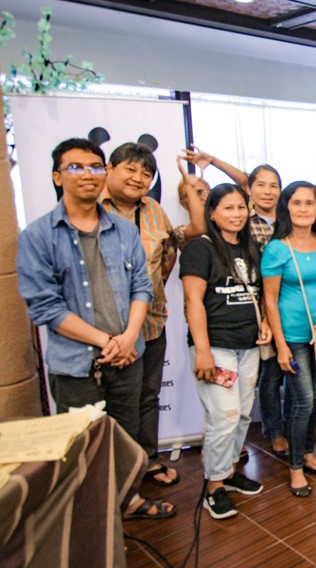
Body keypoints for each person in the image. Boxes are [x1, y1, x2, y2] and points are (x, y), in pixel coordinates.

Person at [17, 138, 170, 521]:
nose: (88, 174)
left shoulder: (124, 229)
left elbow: (142, 286)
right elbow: (45, 306)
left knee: (126, 435)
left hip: (128, 354)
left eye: (94, 166)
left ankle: (128, 501)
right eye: (76, 167)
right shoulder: (37, 236)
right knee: (82, 443)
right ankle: (91, 520)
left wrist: (129, 336)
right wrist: (107, 341)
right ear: (58, 176)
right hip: (76, 362)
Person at [180, 183, 271, 518]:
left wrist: (263, 322)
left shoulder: (250, 246)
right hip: (215, 347)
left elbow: (257, 291)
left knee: (243, 413)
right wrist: (202, 350)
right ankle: (214, 487)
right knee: (224, 416)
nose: (237, 214)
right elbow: (193, 302)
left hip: (247, 345)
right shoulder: (200, 249)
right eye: (228, 208)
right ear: (213, 213)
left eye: (241, 208)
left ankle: (229, 471)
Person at [99, 143, 180, 491]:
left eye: (146, 173)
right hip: (109, 332)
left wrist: (154, 292)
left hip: (151, 324)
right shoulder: (94, 210)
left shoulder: (154, 210)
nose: (138, 178)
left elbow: (168, 253)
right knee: (117, 404)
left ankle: (146, 460)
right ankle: (117, 475)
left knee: (148, 397)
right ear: (109, 168)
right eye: (130, 169)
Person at [261, 182, 316, 498]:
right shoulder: (277, 247)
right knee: (304, 399)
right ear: (287, 207)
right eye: (297, 202)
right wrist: (279, 345)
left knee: (313, 396)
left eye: (310, 203)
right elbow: (270, 298)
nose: (304, 208)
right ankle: (295, 468)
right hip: (290, 336)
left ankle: (307, 454)